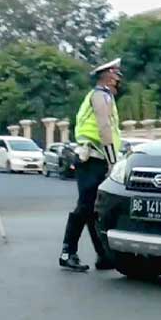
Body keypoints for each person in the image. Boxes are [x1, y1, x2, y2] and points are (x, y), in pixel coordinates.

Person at [59, 58, 123, 272]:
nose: (118, 79)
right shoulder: (100, 96)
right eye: (116, 74)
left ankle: (103, 255)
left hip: (95, 158)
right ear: (108, 76)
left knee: (94, 209)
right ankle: (68, 252)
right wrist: (113, 160)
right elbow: (104, 129)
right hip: (92, 158)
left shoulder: (104, 96)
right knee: (86, 206)